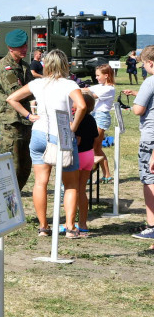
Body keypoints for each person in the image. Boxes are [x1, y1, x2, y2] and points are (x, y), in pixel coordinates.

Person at [6, 49, 86, 238]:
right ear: (64, 65)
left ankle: (43, 226)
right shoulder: (69, 84)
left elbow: (11, 98)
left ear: (46, 65)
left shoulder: (37, 83)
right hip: (62, 134)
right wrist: (73, 126)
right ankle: (69, 226)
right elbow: (82, 105)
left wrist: (29, 115)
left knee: (41, 182)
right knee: (71, 184)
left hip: (40, 133)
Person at [0, 29, 34, 191]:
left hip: (24, 121)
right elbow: (17, 93)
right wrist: (36, 89)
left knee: (25, 166)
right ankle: (6, 201)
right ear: (10, 48)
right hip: (10, 123)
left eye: (25, 46)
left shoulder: (24, 66)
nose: (24, 49)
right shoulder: (5, 68)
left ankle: (15, 196)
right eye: (20, 47)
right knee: (11, 166)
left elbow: (29, 91)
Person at [123, 45, 154, 254]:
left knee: (149, 180)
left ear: (150, 63)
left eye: (144, 64)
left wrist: (135, 100)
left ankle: (152, 226)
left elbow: (138, 110)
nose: (143, 67)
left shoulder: (150, 81)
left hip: (150, 139)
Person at [65, 90, 99, 237]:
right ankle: (83, 224)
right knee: (82, 190)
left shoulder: (77, 120)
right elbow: (96, 138)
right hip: (89, 155)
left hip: (78, 155)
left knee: (72, 190)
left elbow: (77, 140)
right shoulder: (92, 119)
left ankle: (70, 224)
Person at [89, 64, 117, 182]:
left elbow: (92, 95)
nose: (96, 77)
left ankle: (102, 174)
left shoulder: (109, 89)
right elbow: (88, 89)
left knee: (94, 147)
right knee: (94, 148)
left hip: (101, 118)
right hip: (95, 116)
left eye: (98, 75)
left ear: (106, 75)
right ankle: (104, 175)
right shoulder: (101, 86)